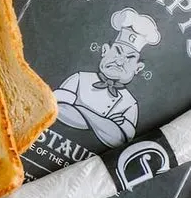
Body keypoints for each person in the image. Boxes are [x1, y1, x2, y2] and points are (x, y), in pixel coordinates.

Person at [55, 8, 161, 148]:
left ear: (138, 68)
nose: (119, 62)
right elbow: (55, 109)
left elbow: (119, 140)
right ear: (105, 50)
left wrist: (77, 106)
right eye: (117, 52)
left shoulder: (130, 104)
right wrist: (106, 123)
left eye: (129, 58)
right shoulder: (79, 79)